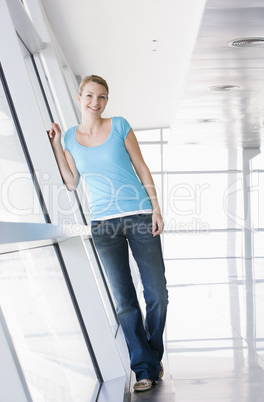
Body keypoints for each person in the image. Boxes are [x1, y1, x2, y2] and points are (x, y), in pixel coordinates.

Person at [49, 75, 168, 392]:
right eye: (89, 96)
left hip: (140, 215)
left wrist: (156, 209)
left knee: (157, 294)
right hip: (103, 224)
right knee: (124, 302)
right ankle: (144, 368)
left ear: (106, 100)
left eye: (101, 97)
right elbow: (72, 182)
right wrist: (57, 147)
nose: (95, 102)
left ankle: (152, 356)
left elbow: (142, 167)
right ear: (79, 97)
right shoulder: (72, 137)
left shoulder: (119, 126)